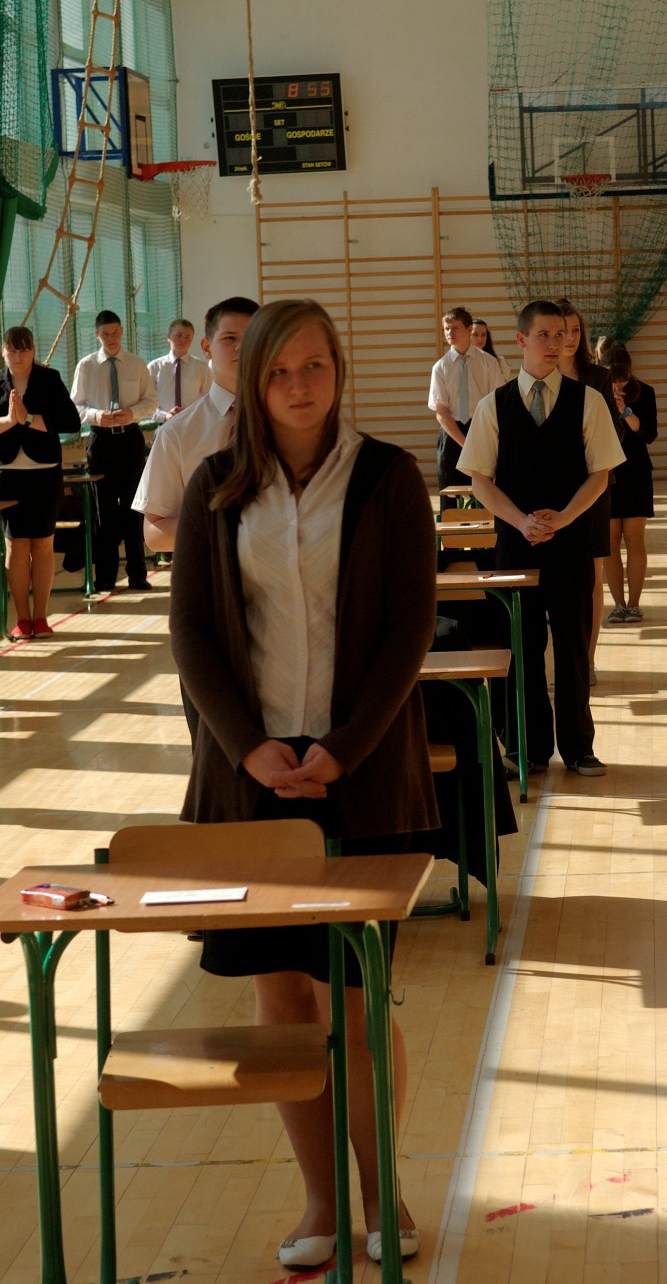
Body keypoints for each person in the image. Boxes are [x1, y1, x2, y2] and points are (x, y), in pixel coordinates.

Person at [169, 298, 437, 1269]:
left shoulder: (388, 477)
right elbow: (193, 632)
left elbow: (409, 628)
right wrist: (248, 749)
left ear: (338, 369)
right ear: (253, 381)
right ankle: (320, 1200)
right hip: (250, 782)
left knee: (359, 995)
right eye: (279, 371)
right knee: (282, 997)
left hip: (360, 776)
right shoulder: (214, 485)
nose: (298, 385)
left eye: (314, 365)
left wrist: (345, 747)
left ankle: (382, 1194)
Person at [459, 298, 624, 777]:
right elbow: (480, 481)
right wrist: (520, 520)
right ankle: (527, 749)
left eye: (563, 334)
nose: (556, 343)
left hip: (571, 545)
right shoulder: (493, 405)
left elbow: (601, 474)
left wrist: (566, 518)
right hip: (516, 545)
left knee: (572, 648)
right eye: (545, 335)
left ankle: (579, 748)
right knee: (523, 649)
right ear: (521, 340)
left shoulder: (588, 401)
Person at [133, 296, 259, 553]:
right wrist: (226, 528)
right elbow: (154, 534)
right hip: (211, 571)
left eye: (252, 338)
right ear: (206, 347)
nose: (241, 347)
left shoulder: (289, 424)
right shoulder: (176, 433)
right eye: (230, 338)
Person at [0, 326, 81, 638]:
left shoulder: (49, 379)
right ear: (3, 351)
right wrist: (10, 421)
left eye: (24, 349)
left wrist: (29, 419)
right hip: (8, 474)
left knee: (43, 544)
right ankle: (22, 619)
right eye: (12, 349)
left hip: (45, 473)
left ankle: (41, 617)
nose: (18, 355)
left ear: (33, 351)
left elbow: (71, 422)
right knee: (16, 545)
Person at [70, 309, 157, 591]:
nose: (111, 338)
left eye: (116, 332)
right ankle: (105, 576)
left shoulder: (136, 364)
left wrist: (132, 413)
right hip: (101, 441)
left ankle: (138, 574)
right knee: (104, 511)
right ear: (97, 335)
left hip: (130, 439)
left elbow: (151, 402)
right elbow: (76, 406)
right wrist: (96, 415)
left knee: (134, 508)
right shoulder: (86, 366)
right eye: (105, 334)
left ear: (122, 332)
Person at [557, 297, 619, 683]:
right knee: (559, 578)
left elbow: (613, 433)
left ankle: (589, 658)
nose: (570, 337)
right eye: (562, 331)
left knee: (592, 576)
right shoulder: (538, 377)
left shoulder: (597, 377)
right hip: (552, 489)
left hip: (594, 486)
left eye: (576, 330)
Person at [603, 347, 657, 624]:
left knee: (635, 540)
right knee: (610, 542)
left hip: (636, 473)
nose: (618, 384)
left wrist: (624, 411)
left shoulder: (645, 392)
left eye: (622, 378)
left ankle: (634, 604)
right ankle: (618, 605)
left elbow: (648, 433)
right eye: (613, 378)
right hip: (606, 474)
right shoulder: (594, 394)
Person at [427, 305, 503, 489]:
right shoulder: (440, 367)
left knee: (484, 492)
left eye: (455, 328)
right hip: (452, 434)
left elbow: (497, 402)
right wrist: (464, 442)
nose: (450, 333)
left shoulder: (488, 362)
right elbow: (441, 412)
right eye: (447, 328)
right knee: (450, 493)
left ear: (469, 329)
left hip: (481, 430)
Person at [148, 317, 212, 421]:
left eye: (187, 337)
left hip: (193, 423)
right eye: (179, 335)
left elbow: (209, 399)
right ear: (169, 336)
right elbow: (147, 403)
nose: (183, 340)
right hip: (164, 424)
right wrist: (165, 416)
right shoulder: (154, 367)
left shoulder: (201, 367)